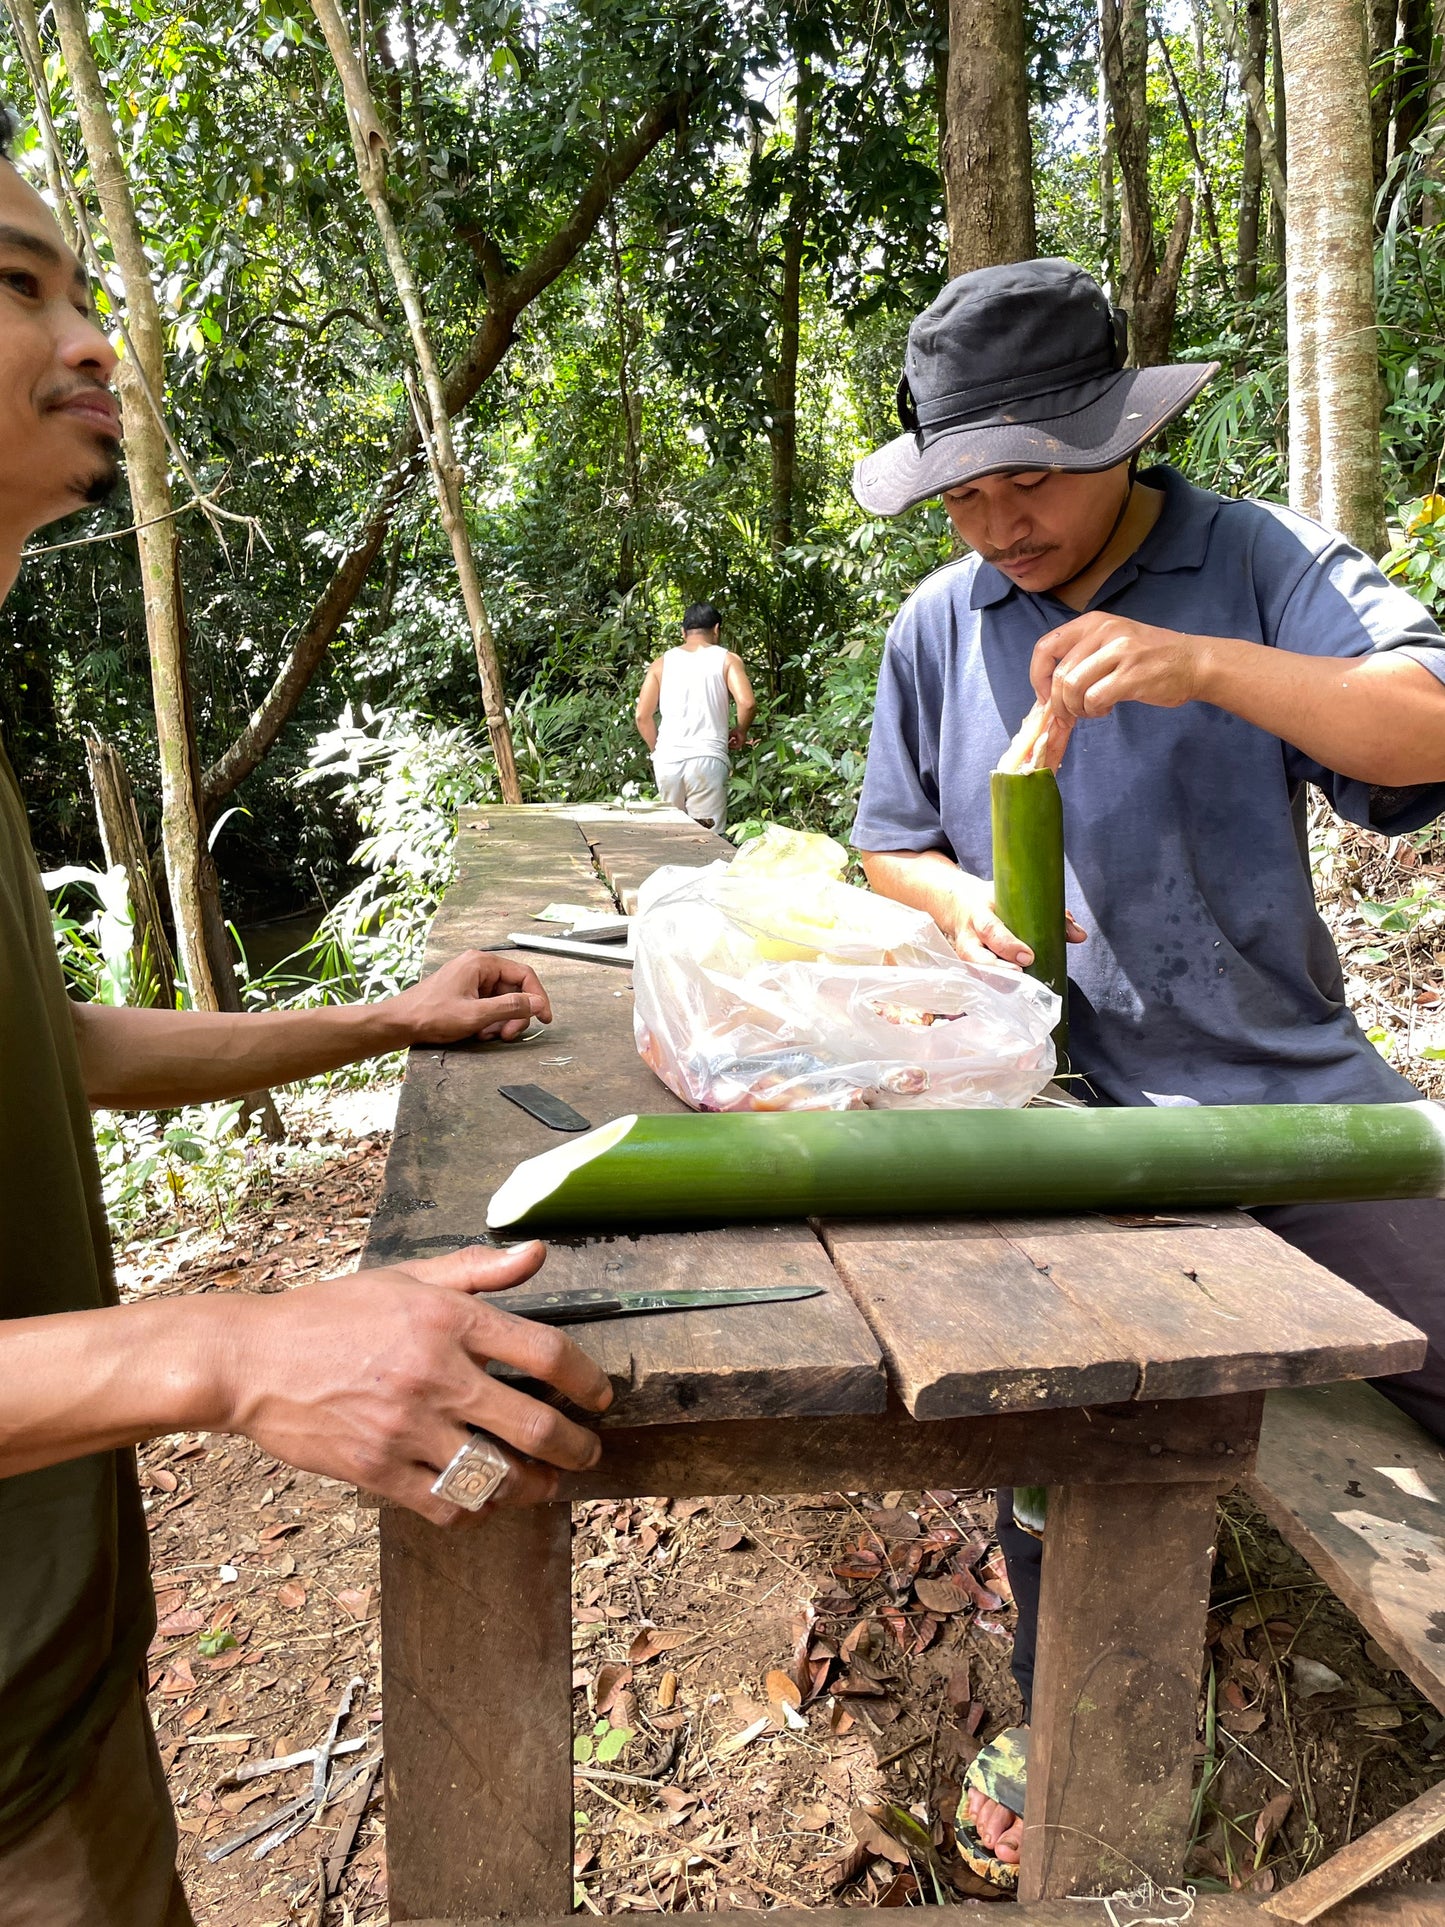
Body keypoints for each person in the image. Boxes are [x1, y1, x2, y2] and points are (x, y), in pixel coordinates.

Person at [0, 131, 615, 1926]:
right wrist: (236, 1352)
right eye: (15, 284)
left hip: (55, 1712)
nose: (97, 335)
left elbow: (67, 1051)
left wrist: (384, 1018)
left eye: (79, 287)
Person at [849, 256, 1445, 1879]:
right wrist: (959, 897)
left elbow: (1425, 719)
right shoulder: (939, 624)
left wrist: (1201, 664)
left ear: (1121, 433)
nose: (999, 525)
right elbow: (888, 841)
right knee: (1052, 1422)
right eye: (963, 492)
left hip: (1283, 1093)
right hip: (1056, 1122)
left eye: (1032, 477)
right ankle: (1071, 1731)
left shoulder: (1245, 558)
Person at [634, 601, 755, 831]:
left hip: (668, 760)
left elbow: (642, 715)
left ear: (683, 632)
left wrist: (658, 751)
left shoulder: (661, 664)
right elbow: (747, 703)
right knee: (708, 839)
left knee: (673, 835)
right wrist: (740, 730)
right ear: (717, 629)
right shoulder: (727, 659)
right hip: (707, 758)